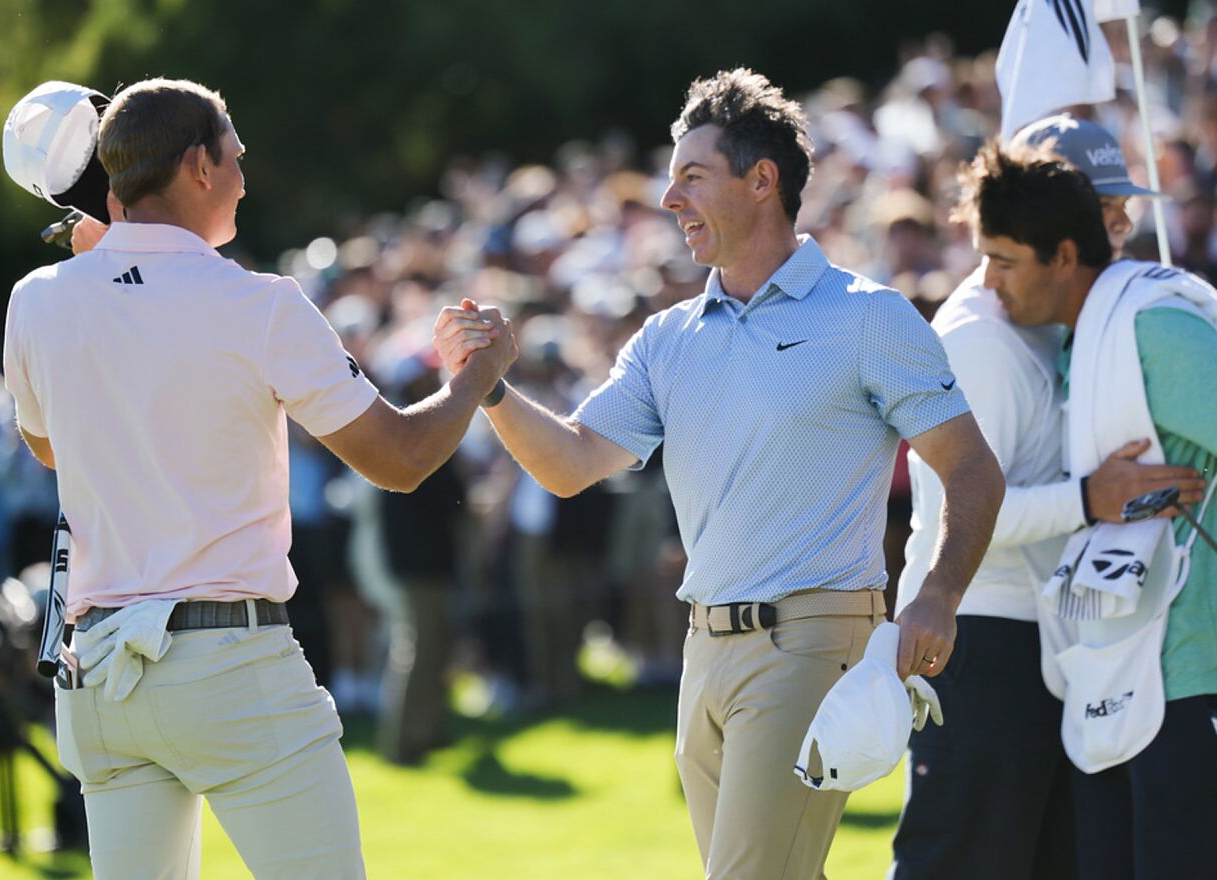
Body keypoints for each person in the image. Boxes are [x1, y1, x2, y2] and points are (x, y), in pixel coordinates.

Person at [434, 68, 1005, 880]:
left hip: (813, 643)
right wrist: (493, 388)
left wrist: (940, 594)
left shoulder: (868, 317)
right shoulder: (667, 337)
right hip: (704, 651)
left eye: (693, 177)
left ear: (762, 181)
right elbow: (569, 463)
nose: (670, 199)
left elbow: (973, 469)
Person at [2, 78, 517, 880]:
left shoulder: (35, 300)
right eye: (235, 156)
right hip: (227, 664)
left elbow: (49, 447)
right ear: (199, 166)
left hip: (99, 674)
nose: (244, 177)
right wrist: (477, 377)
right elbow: (402, 458)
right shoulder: (260, 304)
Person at [890, 116, 1208, 880]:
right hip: (1055, 650)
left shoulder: (1132, 326)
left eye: (1004, 260)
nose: (1121, 221)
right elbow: (968, 507)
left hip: (1148, 656)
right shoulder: (1006, 332)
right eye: (1107, 203)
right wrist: (1091, 498)